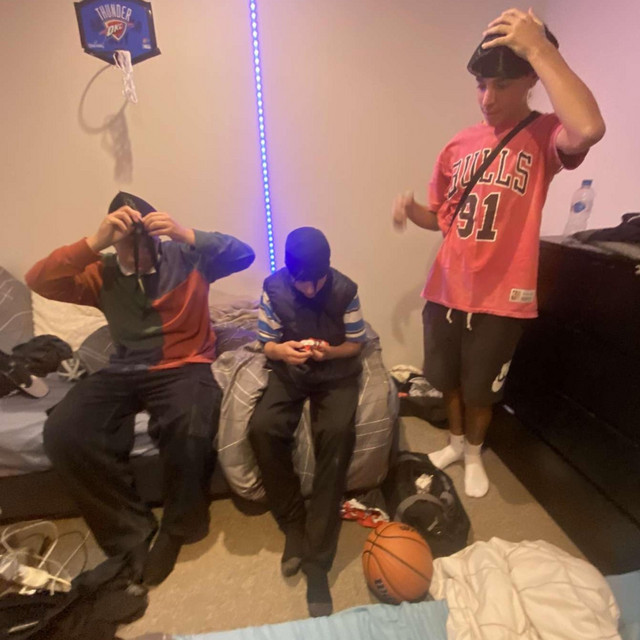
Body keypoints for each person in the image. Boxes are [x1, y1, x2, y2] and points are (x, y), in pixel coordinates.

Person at [392, 9, 605, 498]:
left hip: (502, 296)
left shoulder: (545, 133)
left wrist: (540, 48)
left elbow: (589, 128)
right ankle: (454, 443)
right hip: (446, 289)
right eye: (481, 85)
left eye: (501, 86)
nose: (487, 98)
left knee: (482, 388)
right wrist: (412, 210)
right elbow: (442, 218)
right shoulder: (457, 145)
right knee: (447, 380)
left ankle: (473, 453)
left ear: (530, 81)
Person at [25, 191, 255, 585]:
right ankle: (130, 532)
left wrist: (184, 233)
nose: (136, 255)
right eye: (123, 245)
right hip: (124, 367)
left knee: (191, 423)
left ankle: (179, 527)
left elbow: (243, 254)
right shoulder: (101, 269)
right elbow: (38, 280)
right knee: (63, 431)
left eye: (143, 245)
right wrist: (93, 243)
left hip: (185, 364)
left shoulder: (188, 257)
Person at [248, 227, 367, 617]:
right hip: (292, 369)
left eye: (318, 279)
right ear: (289, 271)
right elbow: (266, 342)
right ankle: (293, 525)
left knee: (336, 434)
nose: (312, 288)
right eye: (303, 281)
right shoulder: (274, 288)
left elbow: (356, 343)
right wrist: (281, 351)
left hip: (336, 371)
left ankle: (317, 561)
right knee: (263, 428)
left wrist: (330, 353)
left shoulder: (345, 290)